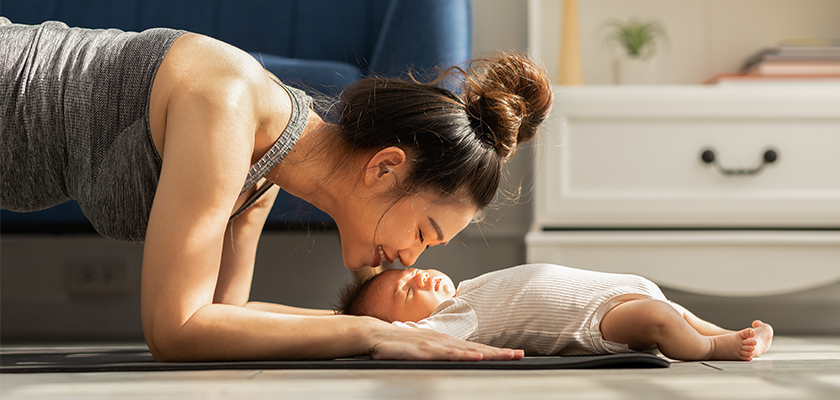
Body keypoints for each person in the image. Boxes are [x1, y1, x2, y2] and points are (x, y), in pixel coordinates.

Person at [0, 19, 553, 361]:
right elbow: (177, 330)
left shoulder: (263, 169)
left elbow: (223, 315)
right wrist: (367, 337)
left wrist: (381, 325)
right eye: (423, 232)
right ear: (385, 167)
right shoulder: (230, 106)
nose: (411, 257)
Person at [336, 264, 775, 361]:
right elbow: (411, 339)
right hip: (595, 320)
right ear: (406, 323)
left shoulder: (466, 289)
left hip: (615, 289)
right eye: (408, 290)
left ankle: (732, 332)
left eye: (414, 271)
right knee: (661, 320)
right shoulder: (455, 316)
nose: (421, 277)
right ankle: (715, 347)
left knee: (675, 309)